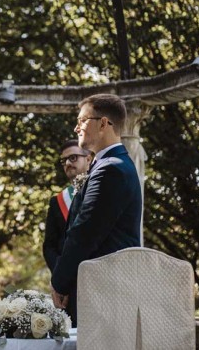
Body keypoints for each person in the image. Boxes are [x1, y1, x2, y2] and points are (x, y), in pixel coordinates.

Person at [50, 94, 142, 326]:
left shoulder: (111, 169)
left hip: (104, 290)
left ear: (103, 123)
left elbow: (84, 232)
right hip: (98, 285)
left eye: (82, 120)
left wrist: (59, 282)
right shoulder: (108, 165)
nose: (76, 127)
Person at [43, 140, 92, 275]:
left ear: (88, 159)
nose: (68, 164)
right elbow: (49, 246)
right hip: (68, 278)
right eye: (64, 161)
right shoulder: (57, 202)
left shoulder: (101, 191)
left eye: (73, 158)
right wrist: (60, 273)